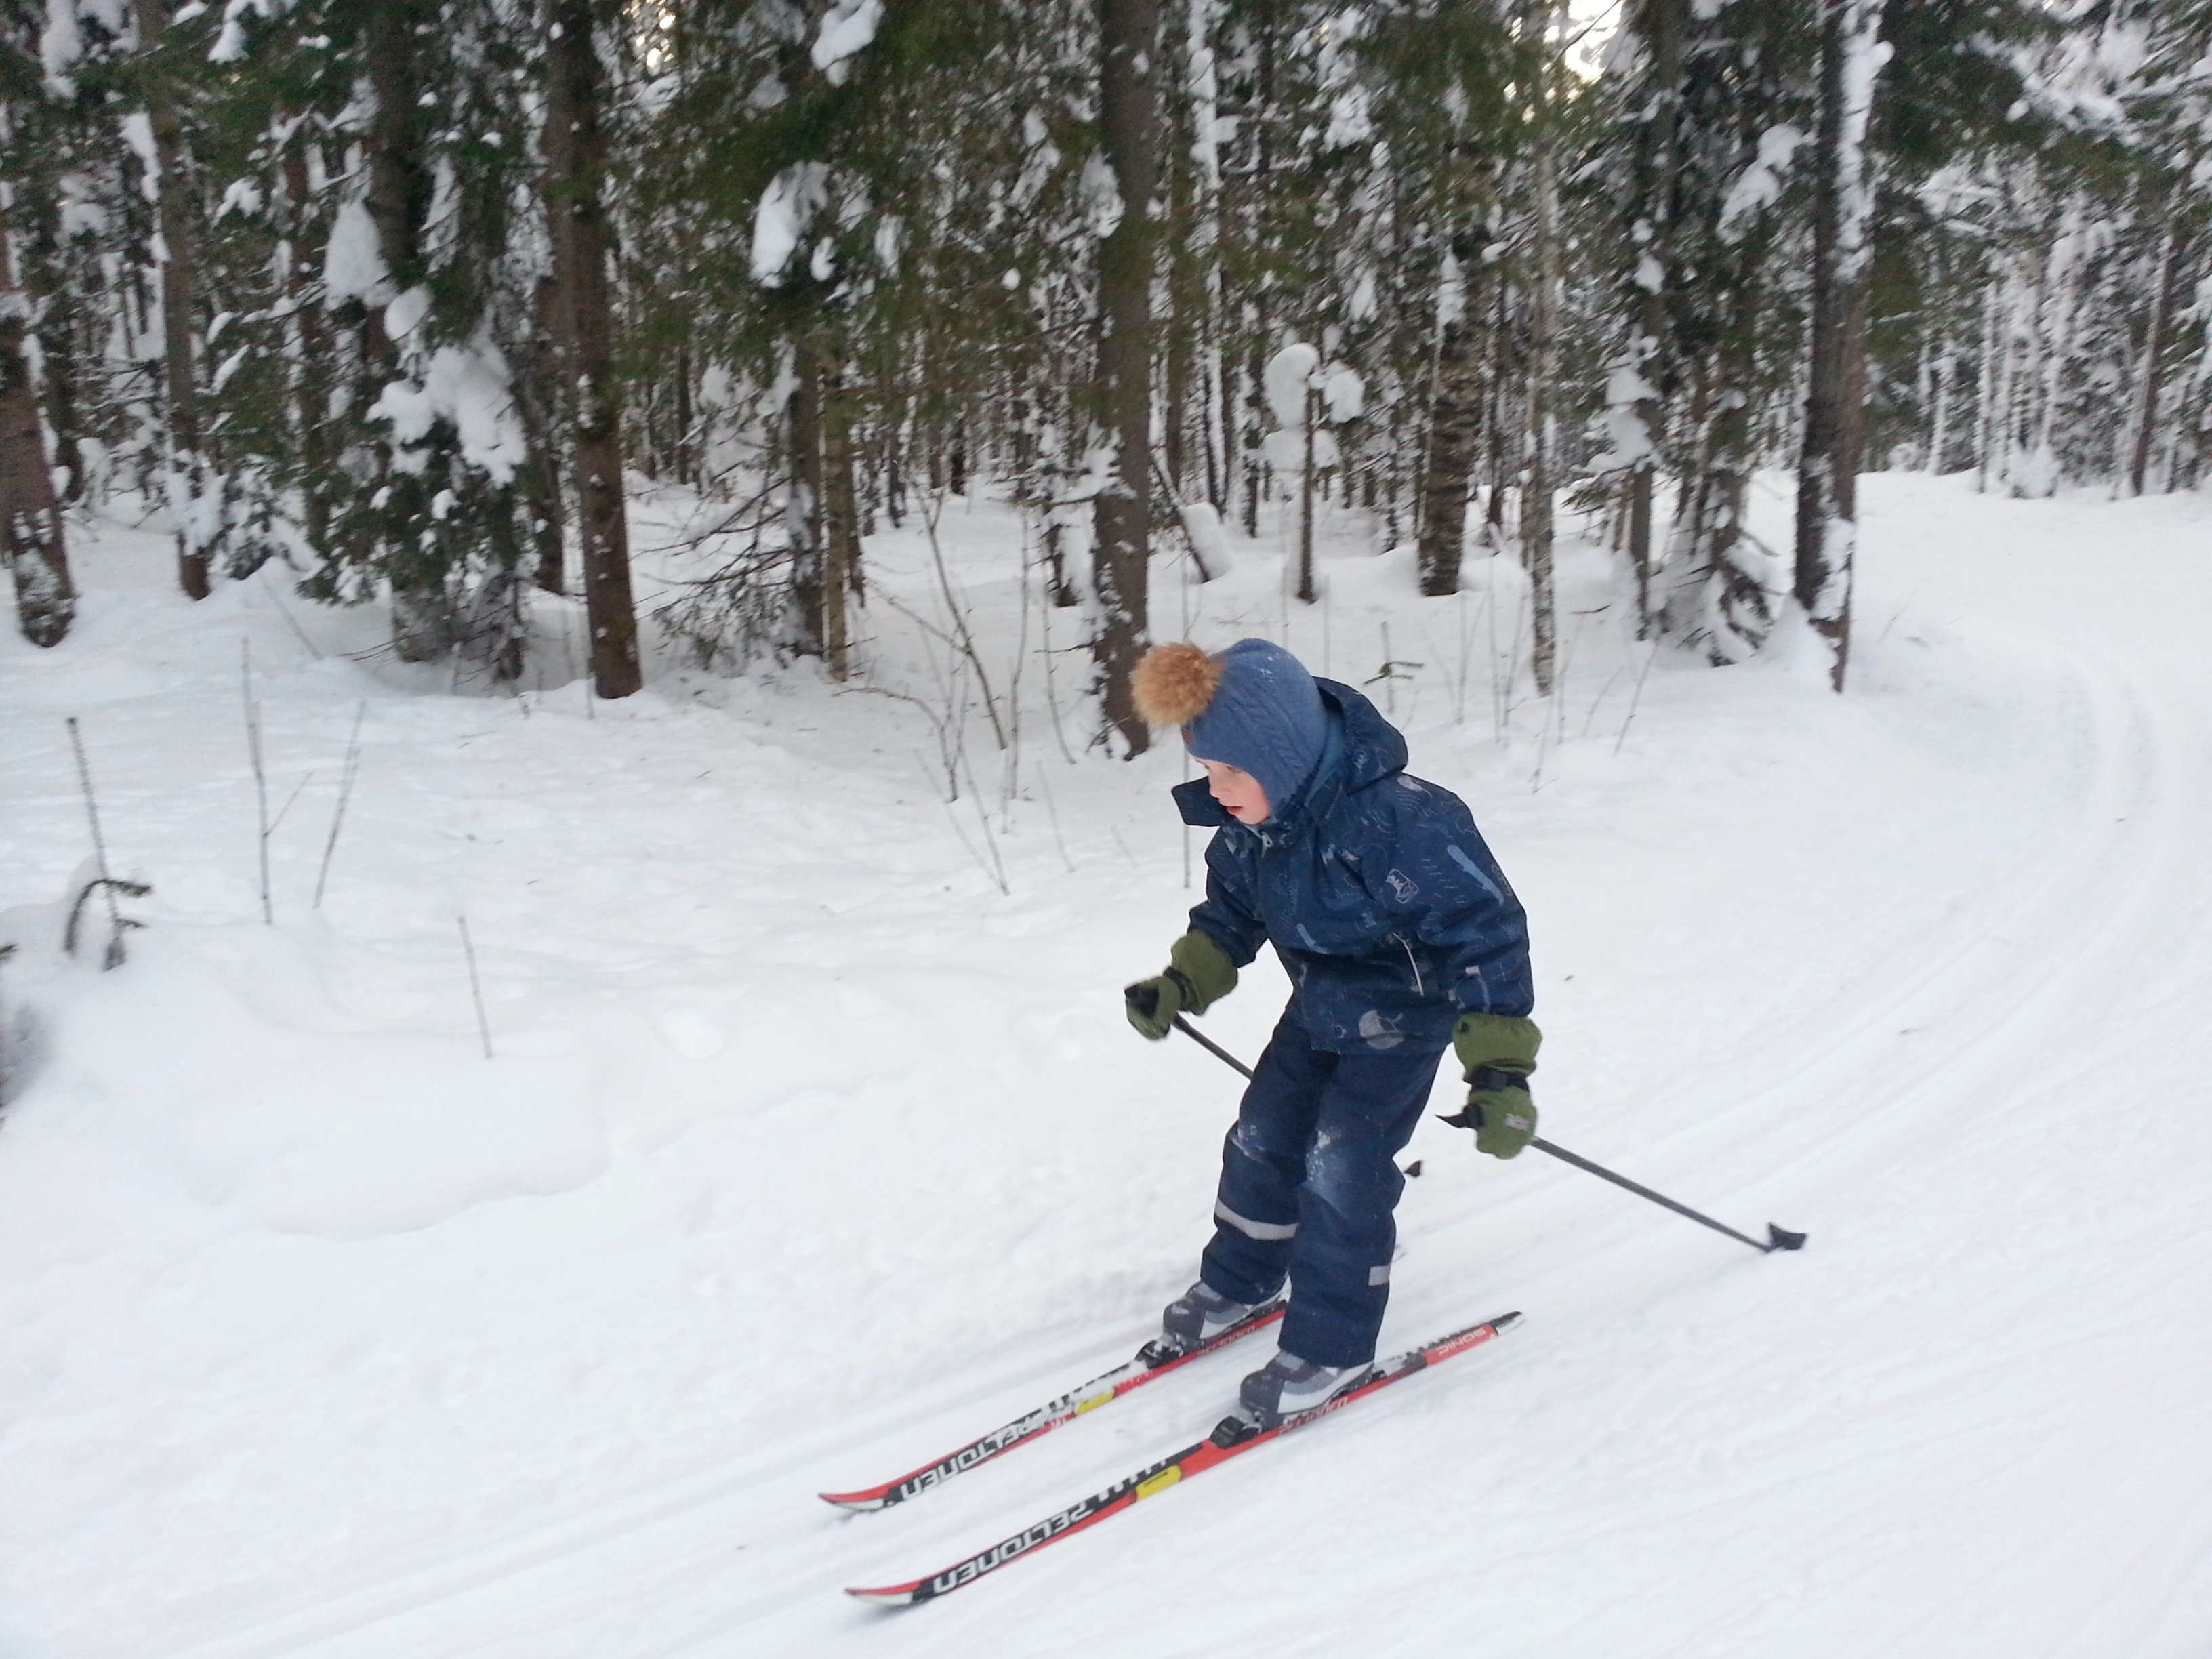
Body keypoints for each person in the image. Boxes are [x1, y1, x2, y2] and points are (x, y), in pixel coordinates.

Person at [1124, 638, 1538, 1426]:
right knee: (1261, 1136)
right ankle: (1244, 1278)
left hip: (1405, 1021)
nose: (1214, 790)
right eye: (1207, 770)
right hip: (1317, 1005)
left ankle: (1333, 1341)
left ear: (1281, 759)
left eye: (1228, 772)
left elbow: (1487, 933)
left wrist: (1500, 1073)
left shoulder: (1403, 822)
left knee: (1340, 1167)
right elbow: (1230, 917)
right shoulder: (1257, 826)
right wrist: (1182, 984)